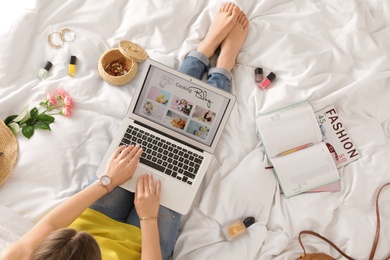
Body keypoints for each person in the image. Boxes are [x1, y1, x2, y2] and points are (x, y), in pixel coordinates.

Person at [1, 3, 249, 260]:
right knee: (187, 146)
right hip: (142, 246)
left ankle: (203, 51)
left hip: (95, 216)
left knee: (150, 126)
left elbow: (51, 226)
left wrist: (106, 181)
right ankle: (223, 66)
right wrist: (148, 217)